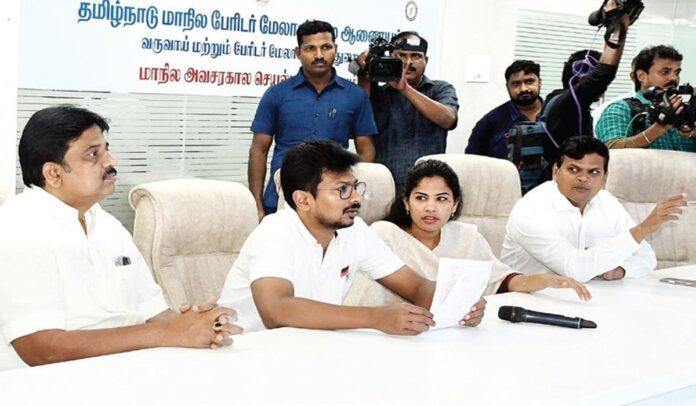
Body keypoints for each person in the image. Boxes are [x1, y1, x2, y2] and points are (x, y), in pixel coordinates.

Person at [0, 106, 241, 371]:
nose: (110, 161)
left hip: (128, 368)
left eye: (106, 149)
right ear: (54, 173)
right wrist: (168, 334)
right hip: (54, 382)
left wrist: (199, 325)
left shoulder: (106, 224)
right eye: (93, 154)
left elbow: (154, 315)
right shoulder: (17, 228)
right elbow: (41, 348)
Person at [219, 140, 485, 334]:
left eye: (355, 187)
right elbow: (277, 311)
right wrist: (376, 318)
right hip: (250, 350)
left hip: (312, 348)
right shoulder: (274, 233)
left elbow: (414, 287)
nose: (357, 198)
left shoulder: (353, 230)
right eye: (342, 190)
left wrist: (461, 301)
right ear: (303, 200)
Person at [343, 160, 591, 307]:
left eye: (441, 199)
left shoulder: (466, 238)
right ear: (406, 203)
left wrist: (543, 280)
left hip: (451, 334)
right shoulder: (384, 234)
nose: (431, 207)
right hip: (390, 335)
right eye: (421, 198)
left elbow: (497, 281)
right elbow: (361, 297)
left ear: (454, 205)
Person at [500, 136, 686, 283]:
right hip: (527, 304)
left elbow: (646, 257)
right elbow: (575, 270)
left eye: (593, 172)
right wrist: (644, 228)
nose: (583, 178)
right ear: (556, 172)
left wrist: (620, 271)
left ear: (605, 177)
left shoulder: (605, 201)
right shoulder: (532, 209)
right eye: (573, 169)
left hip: (591, 298)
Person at [248, 19, 377, 219]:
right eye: (310, 48)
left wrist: (347, 188)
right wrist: (256, 204)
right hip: (281, 199)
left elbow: (366, 151)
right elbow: (259, 150)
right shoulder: (276, 94)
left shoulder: (355, 96)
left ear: (336, 49)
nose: (319, 55)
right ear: (298, 52)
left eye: (326, 47)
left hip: (334, 202)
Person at [356, 31, 459, 192]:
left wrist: (405, 89)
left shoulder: (440, 89)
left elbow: (448, 119)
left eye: (416, 56)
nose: (408, 62)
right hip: (386, 186)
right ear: (390, 58)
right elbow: (358, 116)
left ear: (426, 60)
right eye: (401, 56)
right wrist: (364, 73)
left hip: (428, 186)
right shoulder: (378, 93)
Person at [542, 0, 636, 170]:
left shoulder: (564, 103)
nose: (602, 90)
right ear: (581, 76)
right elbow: (604, 74)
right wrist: (618, 24)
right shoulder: (566, 103)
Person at [595, 45, 696, 150]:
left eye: (677, 73)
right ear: (641, 76)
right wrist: (659, 127)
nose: (674, 78)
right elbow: (611, 147)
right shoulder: (621, 108)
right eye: (665, 72)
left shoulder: (685, 112)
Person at [465, 60, 544, 159]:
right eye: (516, 84)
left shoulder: (555, 114)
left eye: (529, 81)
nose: (523, 89)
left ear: (539, 82)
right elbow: (472, 161)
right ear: (507, 87)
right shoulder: (490, 122)